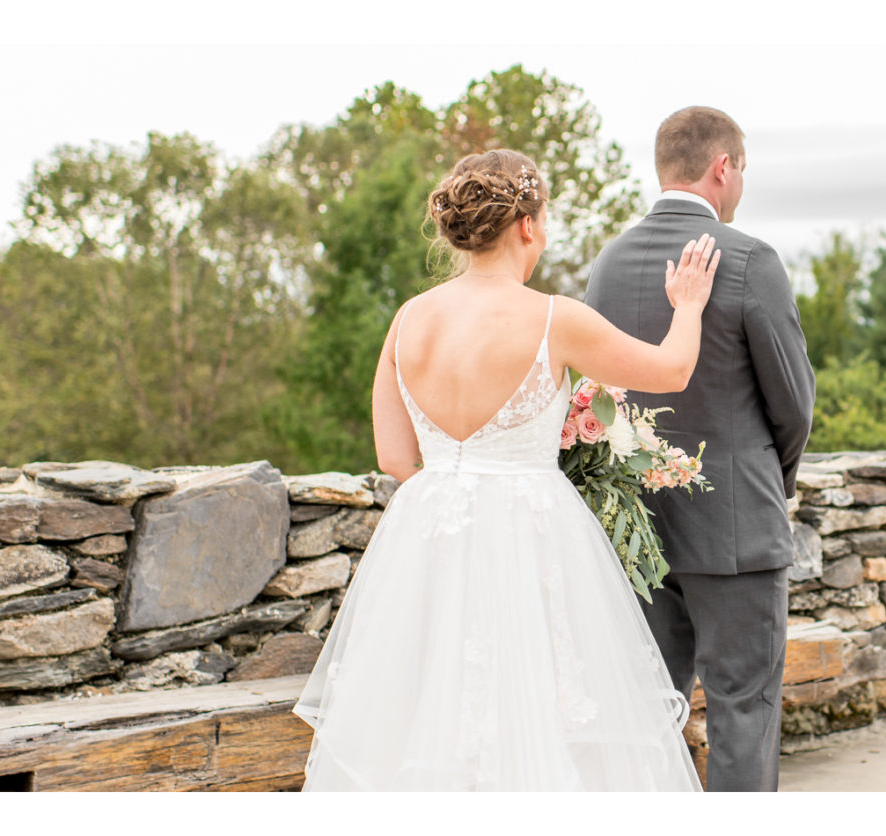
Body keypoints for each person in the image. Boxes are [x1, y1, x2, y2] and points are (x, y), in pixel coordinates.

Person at [294, 148, 718, 790]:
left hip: (429, 536)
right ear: (526, 223)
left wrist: (458, 491)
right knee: (537, 718)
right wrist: (687, 304)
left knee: (427, 720)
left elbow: (394, 458)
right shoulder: (554, 318)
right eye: (544, 218)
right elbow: (672, 371)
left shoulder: (408, 319)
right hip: (531, 538)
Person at [584, 106, 816, 791]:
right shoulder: (748, 259)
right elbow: (792, 403)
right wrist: (775, 483)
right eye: (741, 170)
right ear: (724, 167)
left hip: (639, 532)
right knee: (743, 705)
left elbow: (601, 398)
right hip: (737, 530)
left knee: (650, 711)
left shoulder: (609, 263)